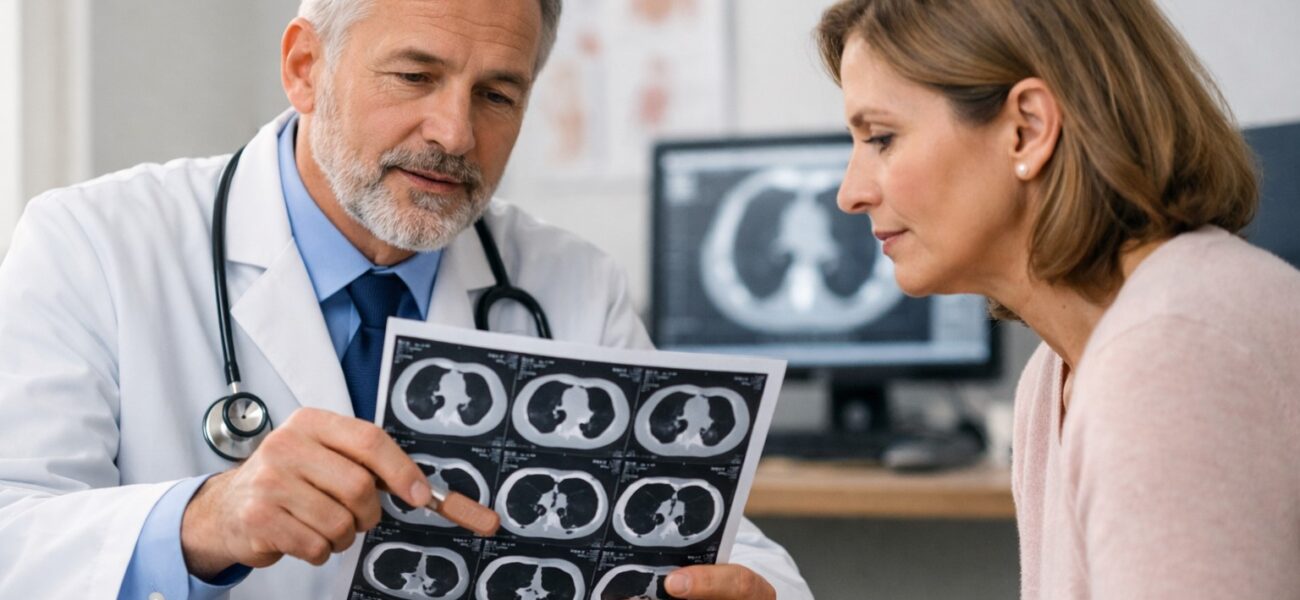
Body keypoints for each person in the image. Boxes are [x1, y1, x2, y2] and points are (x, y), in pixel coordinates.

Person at [0, 1, 812, 599]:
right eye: (415, 76)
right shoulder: (94, 245)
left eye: (498, 95)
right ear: (304, 68)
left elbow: (713, 531)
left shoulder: (570, 283)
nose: (455, 133)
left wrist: (756, 591)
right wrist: (199, 521)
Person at [816, 0, 1300, 597]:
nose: (850, 193)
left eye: (882, 138)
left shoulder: (1171, 352)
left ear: (1028, 129)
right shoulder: (1054, 375)